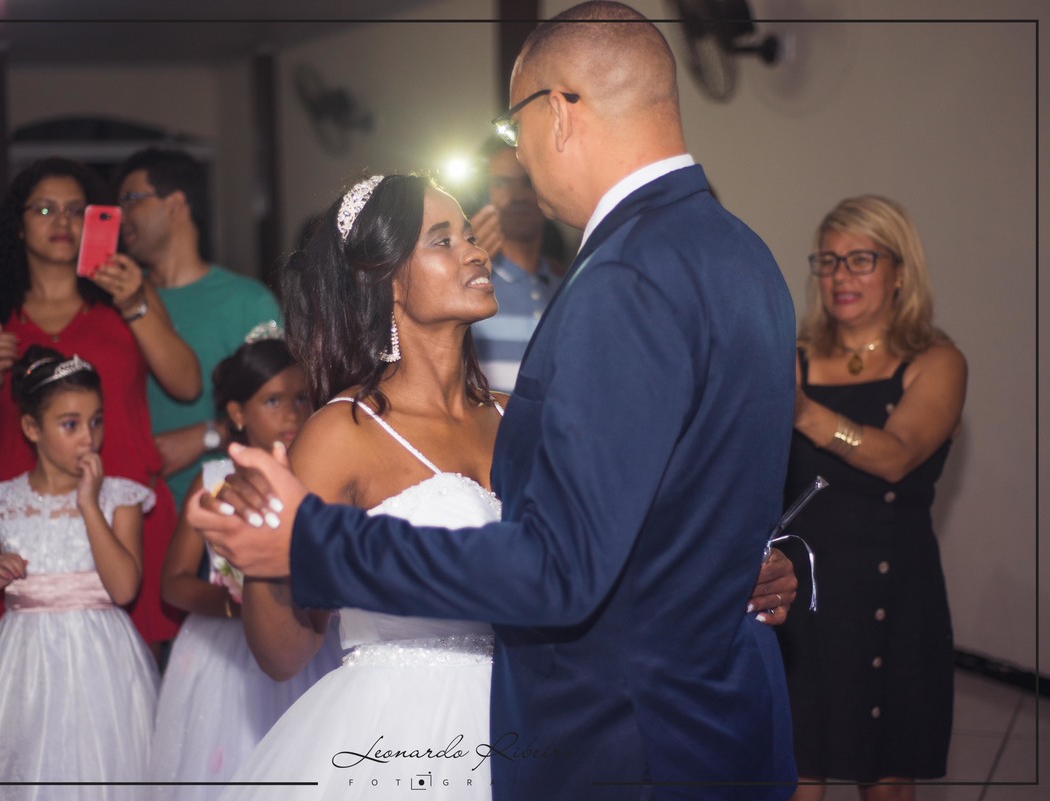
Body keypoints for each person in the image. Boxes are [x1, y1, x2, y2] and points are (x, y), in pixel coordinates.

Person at [193, 3, 800, 799]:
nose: (476, 246)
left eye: (516, 127)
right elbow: (666, 499)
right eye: (442, 238)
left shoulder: (618, 283)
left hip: (625, 736)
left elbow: (565, 563)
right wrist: (268, 552)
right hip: (452, 738)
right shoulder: (747, 255)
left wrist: (317, 541)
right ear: (386, 280)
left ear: (559, 112)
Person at [0, 156, 199, 651]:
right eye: (44, 210)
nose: (62, 221)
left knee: (132, 682)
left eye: (76, 210)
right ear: (18, 226)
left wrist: (135, 305)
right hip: (30, 529)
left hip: (123, 515)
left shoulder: (128, 296)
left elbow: (187, 384)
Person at [777, 196, 966, 801]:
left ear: (900, 271)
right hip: (800, 594)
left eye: (860, 259)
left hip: (892, 593)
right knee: (795, 770)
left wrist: (803, 412)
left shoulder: (936, 361)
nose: (840, 276)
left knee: (884, 776)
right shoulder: (792, 357)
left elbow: (897, 456)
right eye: (828, 260)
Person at [0, 346, 158, 800]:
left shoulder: (120, 499)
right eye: (70, 424)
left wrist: (89, 505)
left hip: (104, 664)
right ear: (32, 428)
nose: (88, 438)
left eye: (96, 421)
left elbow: (124, 589)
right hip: (24, 665)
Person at [148, 329, 342, 799]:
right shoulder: (215, 482)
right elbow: (174, 583)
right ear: (237, 413)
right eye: (272, 401)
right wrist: (237, 604)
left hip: (308, 643)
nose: (292, 413)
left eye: (301, 398)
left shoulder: (321, 480)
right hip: (224, 655)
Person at [114, 148, 282, 511]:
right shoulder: (118, 298)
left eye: (131, 200)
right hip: (128, 507)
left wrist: (210, 434)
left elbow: (283, 410)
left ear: (175, 204)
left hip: (223, 501)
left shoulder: (247, 302)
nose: (119, 215)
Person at [469, 138, 564, 391]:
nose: (517, 196)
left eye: (527, 182)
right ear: (482, 194)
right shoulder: (468, 286)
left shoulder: (570, 285)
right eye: (501, 183)